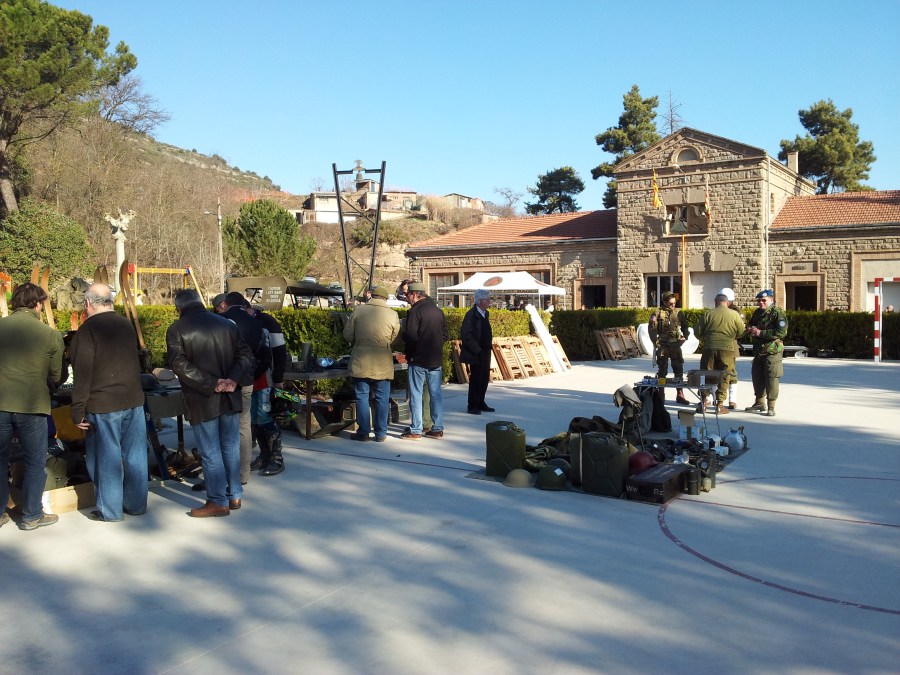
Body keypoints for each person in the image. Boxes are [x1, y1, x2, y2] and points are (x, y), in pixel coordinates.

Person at [166, 288, 252, 517]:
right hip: (228, 395)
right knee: (230, 447)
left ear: (179, 308)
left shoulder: (176, 329)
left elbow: (178, 364)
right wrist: (232, 379)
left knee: (211, 451)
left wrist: (212, 383)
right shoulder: (227, 324)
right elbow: (245, 355)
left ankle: (217, 501)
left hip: (202, 398)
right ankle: (234, 494)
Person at [69, 283, 148, 522]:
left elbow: (82, 374)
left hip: (103, 403)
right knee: (136, 456)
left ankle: (110, 510)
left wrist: (77, 410)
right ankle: (136, 504)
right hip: (133, 400)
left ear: (88, 303)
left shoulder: (86, 331)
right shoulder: (126, 324)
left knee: (106, 460)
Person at [0, 283, 65, 531]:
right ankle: (31, 515)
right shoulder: (49, 334)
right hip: (32, 405)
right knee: (35, 462)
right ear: (37, 305)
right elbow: (57, 375)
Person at [215, 292, 271, 482]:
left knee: (223, 427)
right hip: (247, 379)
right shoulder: (256, 323)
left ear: (225, 303)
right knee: (244, 425)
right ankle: (243, 473)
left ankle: (225, 472)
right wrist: (253, 373)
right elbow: (264, 354)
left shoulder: (221, 320)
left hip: (225, 379)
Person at [343, 285, 400, 442]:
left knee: (362, 395)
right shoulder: (393, 314)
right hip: (383, 360)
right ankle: (381, 433)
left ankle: (363, 432)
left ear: (371, 296)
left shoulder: (358, 310)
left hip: (361, 359)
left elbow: (347, 335)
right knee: (382, 397)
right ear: (385, 299)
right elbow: (395, 337)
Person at [401, 282, 448, 440]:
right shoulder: (438, 310)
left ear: (414, 294)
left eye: (408, 295)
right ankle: (438, 428)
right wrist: (435, 346)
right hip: (435, 359)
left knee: (416, 395)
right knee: (436, 395)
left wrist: (410, 354)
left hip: (418, 360)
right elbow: (445, 335)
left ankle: (416, 429)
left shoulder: (415, 311)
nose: (407, 298)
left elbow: (411, 336)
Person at [694, 293, 746, 415]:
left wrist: (706, 339)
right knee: (724, 375)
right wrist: (731, 337)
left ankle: (703, 402)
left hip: (709, 348)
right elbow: (741, 331)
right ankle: (719, 405)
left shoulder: (708, 314)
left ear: (715, 302)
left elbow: (697, 332)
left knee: (706, 374)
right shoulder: (734, 314)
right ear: (727, 302)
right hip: (727, 348)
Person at [745, 289, 788, 417]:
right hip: (759, 351)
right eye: (759, 300)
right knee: (757, 377)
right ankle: (759, 403)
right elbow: (751, 324)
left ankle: (771, 406)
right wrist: (750, 328)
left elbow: (781, 332)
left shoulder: (778, 313)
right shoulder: (757, 312)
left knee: (772, 378)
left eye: (764, 300)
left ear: (771, 300)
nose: (761, 303)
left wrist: (761, 333)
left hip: (772, 351)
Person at [648, 291, 690, 405]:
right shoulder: (657, 313)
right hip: (663, 345)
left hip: (675, 345)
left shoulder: (679, 313)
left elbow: (685, 326)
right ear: (664, 302)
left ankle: (680, 394)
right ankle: (661, 394)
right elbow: (652, 329)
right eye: (670, 303)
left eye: (674, 303)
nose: (673, 305)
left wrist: (685, 336)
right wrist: (656, 343)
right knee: (662, 370)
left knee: (678, 369)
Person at [460, 289, 495, 415]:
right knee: (476, 378)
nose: (489, 302)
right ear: (481, 301)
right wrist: (477, 349)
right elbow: (466, 334)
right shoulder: (471, 315)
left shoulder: (485, 313)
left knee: (484, 377)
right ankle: (473, 405)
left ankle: (481, 401)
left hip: (485, 350)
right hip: (476, 351)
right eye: (487, 300)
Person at [719, 287, 745, 409]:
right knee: (714, 371)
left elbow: (741, 330)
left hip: (731, 345)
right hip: (717, 344)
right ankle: (712, 398)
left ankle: (732, 399)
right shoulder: (717, 310)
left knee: (731, 372)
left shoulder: (737, 312)